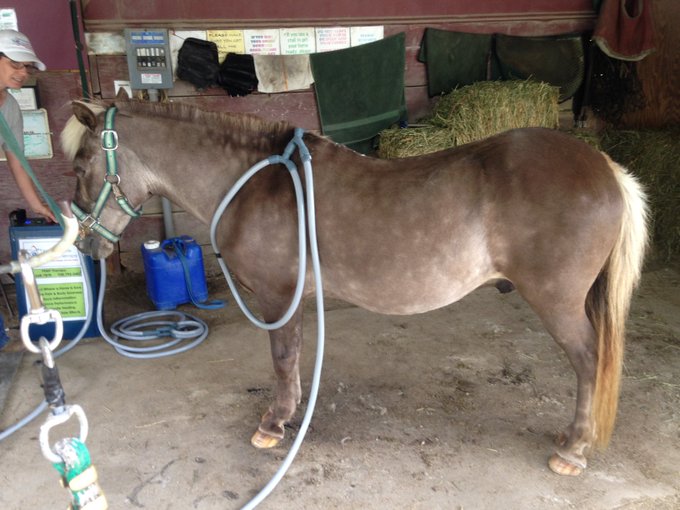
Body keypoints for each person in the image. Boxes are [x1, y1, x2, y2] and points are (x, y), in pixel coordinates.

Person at [0, 29, 55, 222]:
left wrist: (37, 205)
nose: (23, 72)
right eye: (15, 64)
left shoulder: (10, 107)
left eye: (27, 67)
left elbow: (17, 161)